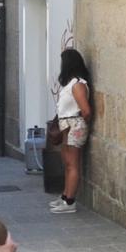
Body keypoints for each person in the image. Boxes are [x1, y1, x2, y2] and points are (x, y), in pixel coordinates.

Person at [48, 49, 93, 214]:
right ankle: (65, 195)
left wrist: (77, 124)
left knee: (73, 164)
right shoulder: (70, 84)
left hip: (74, 125)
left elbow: (86, 111)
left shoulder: (78, 84)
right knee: (67, 164)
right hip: (66, 125)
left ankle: (70, 201)